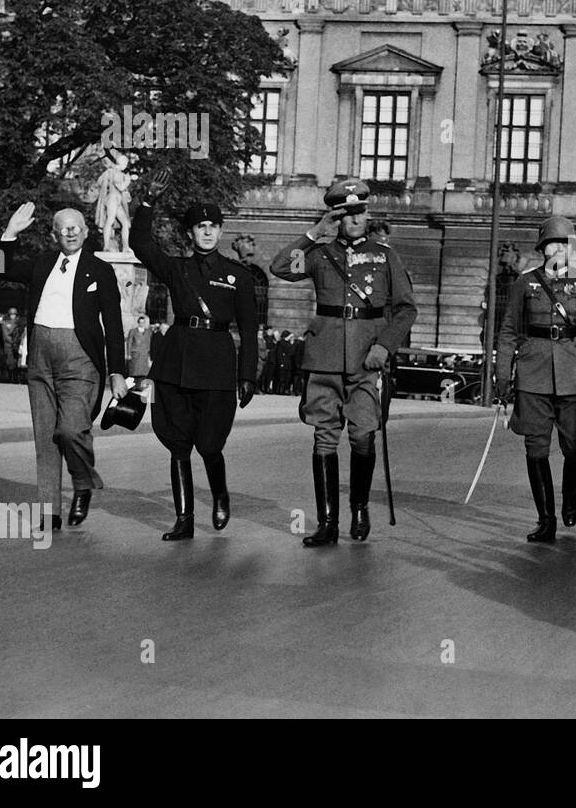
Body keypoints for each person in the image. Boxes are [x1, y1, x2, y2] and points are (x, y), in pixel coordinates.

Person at [270, 177, 417, 546]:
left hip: (368, 357)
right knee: (324, 436)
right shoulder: (320, 254)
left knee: (363, 433)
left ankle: (361, 507)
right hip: (325, 357)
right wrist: (313, 233)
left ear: (368, 213)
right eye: (346, 212)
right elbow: (279, 267)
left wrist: (384, 346)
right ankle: (328, 523)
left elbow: (405, 309)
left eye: (360, 211)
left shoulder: (385, 256)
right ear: (336, 216)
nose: (355, 219)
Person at [130, 170, 257, 541]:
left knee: (210, 445)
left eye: (213, 226)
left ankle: (219, 493)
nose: (207, 232)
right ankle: (184, 519)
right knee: (178, 442)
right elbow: (140, 244)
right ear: (190, 232)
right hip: (176, 361)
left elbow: (248, 330)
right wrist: (148, 203)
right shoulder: (177, 267)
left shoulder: (238, 276)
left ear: (220, 231)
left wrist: (247, 375)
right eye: (200, 226)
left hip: (217, 363)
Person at [0, 202, 128, 529]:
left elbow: (113, 325)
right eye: (63, 227)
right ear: (54, 233)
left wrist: (116, 372)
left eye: (76, 227)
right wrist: (10, 233)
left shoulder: (100, 270)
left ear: (85, 232)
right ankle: (49, 511)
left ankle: (83, 482)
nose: (70, 232)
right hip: (40, 358)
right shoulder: (42, 264)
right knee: (45, 436)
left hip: (80, 360)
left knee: (70, 429)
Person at [494, 215, 576, 543]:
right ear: (543, 248)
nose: (559, 250)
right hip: (533, 374)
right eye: (553, 243)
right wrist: (502, 375)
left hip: (575, 375)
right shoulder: (525, 283)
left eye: (565, 244)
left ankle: (571, 491)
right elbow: (508, 331)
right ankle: (545, 519)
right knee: (535, 448)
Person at [126, 314, 152, 380]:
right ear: (138, 323)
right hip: (136, 353)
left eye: (143, 322)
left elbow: (149, 342)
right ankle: (133, 385)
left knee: (143, 372)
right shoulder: (133, 331)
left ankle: (141, 385)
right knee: (134, 371)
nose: (142, 324)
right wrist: (128, 354)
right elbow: (129, 342)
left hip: (144, 353)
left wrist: (149, 354)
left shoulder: (148, 332)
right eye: (140, 322)